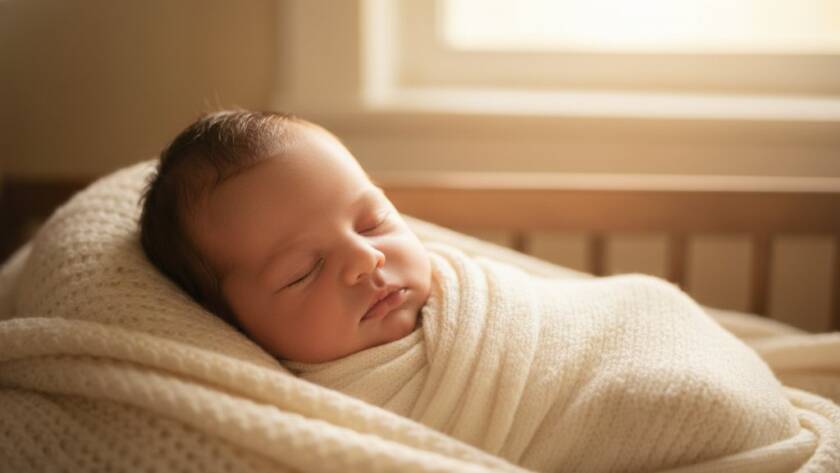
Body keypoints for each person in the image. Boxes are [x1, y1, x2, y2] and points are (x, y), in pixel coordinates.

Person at [140, 110, 432, 363]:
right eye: (303, 272)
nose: (365, 258)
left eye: (372, 224)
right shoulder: (291, 408)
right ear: (231, 326)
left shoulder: (465, 283)